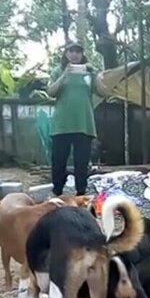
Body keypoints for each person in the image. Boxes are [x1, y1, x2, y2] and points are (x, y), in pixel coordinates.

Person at [46, 42, 109, 196]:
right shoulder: (58, 71)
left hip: (84, 124)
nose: (75, 54)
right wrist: (65, 74)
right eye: (72, 51)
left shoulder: (88, 74)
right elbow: (50, 92)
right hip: (62, 125)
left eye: (78, 52)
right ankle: (57, 192)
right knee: (58, 161)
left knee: (81, 162)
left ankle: (81, 194)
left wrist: (96, 74)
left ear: (82, 54)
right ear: (66, 53)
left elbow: (103, 92)